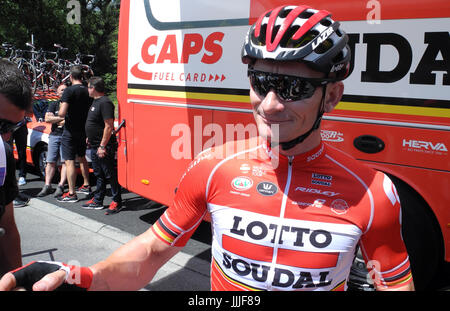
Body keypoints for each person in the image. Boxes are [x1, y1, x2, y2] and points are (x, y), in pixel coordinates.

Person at [0, 5, 414, 291]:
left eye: (294, 88)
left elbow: (394, 283)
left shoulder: (373, 192)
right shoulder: (215, 166)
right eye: (262, 83)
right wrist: (82, 276)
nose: (270, 105)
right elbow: (151, 252)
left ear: (333, 95)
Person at [0, 59, 32, 277]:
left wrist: (16, 279)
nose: (7, 136)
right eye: (2, 124)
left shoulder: (3, 154)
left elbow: (7, 229)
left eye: (14, 126)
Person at [82, 77, 122, 215]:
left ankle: (117, 201)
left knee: (109, 174)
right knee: (99, 174)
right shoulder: (96, 101)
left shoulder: (105, 102)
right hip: (94, 145)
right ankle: (98, 200)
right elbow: (95, 122)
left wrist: (102, 146)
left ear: (93, 88)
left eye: (88, 87)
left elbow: (109, 126)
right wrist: (90, 137)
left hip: (103, 147)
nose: (87, 89)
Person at [55, 66, 91, 203]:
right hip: (83, 129)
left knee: (69, 161)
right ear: (81, 77)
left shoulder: (69, 91)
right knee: (82, 157)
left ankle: (71, 193)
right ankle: (87, 185)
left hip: (70, 130)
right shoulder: (88, 90)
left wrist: (57, 114)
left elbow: (62, 113)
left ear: (70, 77)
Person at [36, 84, 68, 198]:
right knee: (50, 161)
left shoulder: (70, 105)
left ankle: (60, 186)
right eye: (61, 90)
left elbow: (70, 119)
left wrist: (55, 119)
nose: (64, 92)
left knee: (65, 162)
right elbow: (47, 119)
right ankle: (47, 185)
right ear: (58, 93)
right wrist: (62, 118)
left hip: (66, 136)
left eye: (65, 90)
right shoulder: (53, 104)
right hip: (54, 135)